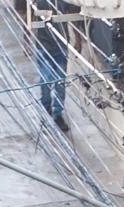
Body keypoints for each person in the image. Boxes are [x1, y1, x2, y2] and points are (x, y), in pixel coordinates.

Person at [34, 0, 80, 132]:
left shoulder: (63, 1)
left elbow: (73, 13)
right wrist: (26, 38)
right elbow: (30, 17)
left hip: (61, 47)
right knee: (46, 81)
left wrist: (78, 38)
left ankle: (58, 114)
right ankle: (46, 109)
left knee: (60, 83)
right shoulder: (39, 2)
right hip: (43, 47)